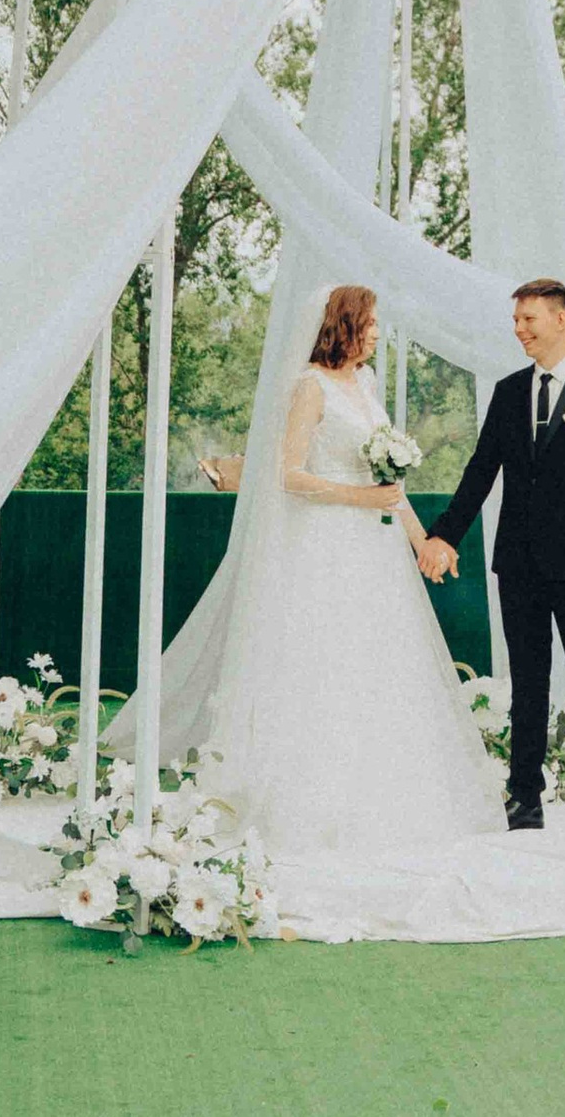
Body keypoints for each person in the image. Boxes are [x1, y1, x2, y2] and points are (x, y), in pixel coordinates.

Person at [197, 283, 495, 862]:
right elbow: (287, 475)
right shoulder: (310, 386)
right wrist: (354, 499)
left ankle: (392, 797)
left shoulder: (366, 384)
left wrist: (423, 543)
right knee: (327, 663)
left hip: (376, 550)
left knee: (382, 663)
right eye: (373, 321)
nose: (380, 331)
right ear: (346, 324)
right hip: (325, 543)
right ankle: (313, 805)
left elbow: (389, 483)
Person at [420, 279, 565, 839]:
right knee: (528, 687)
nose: (519, 329)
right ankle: (524, 798)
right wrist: (444, 534)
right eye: (516, 320)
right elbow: (481, 470)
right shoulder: (509, 391)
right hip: (519, 566)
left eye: (529, 319)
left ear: (561, 319)